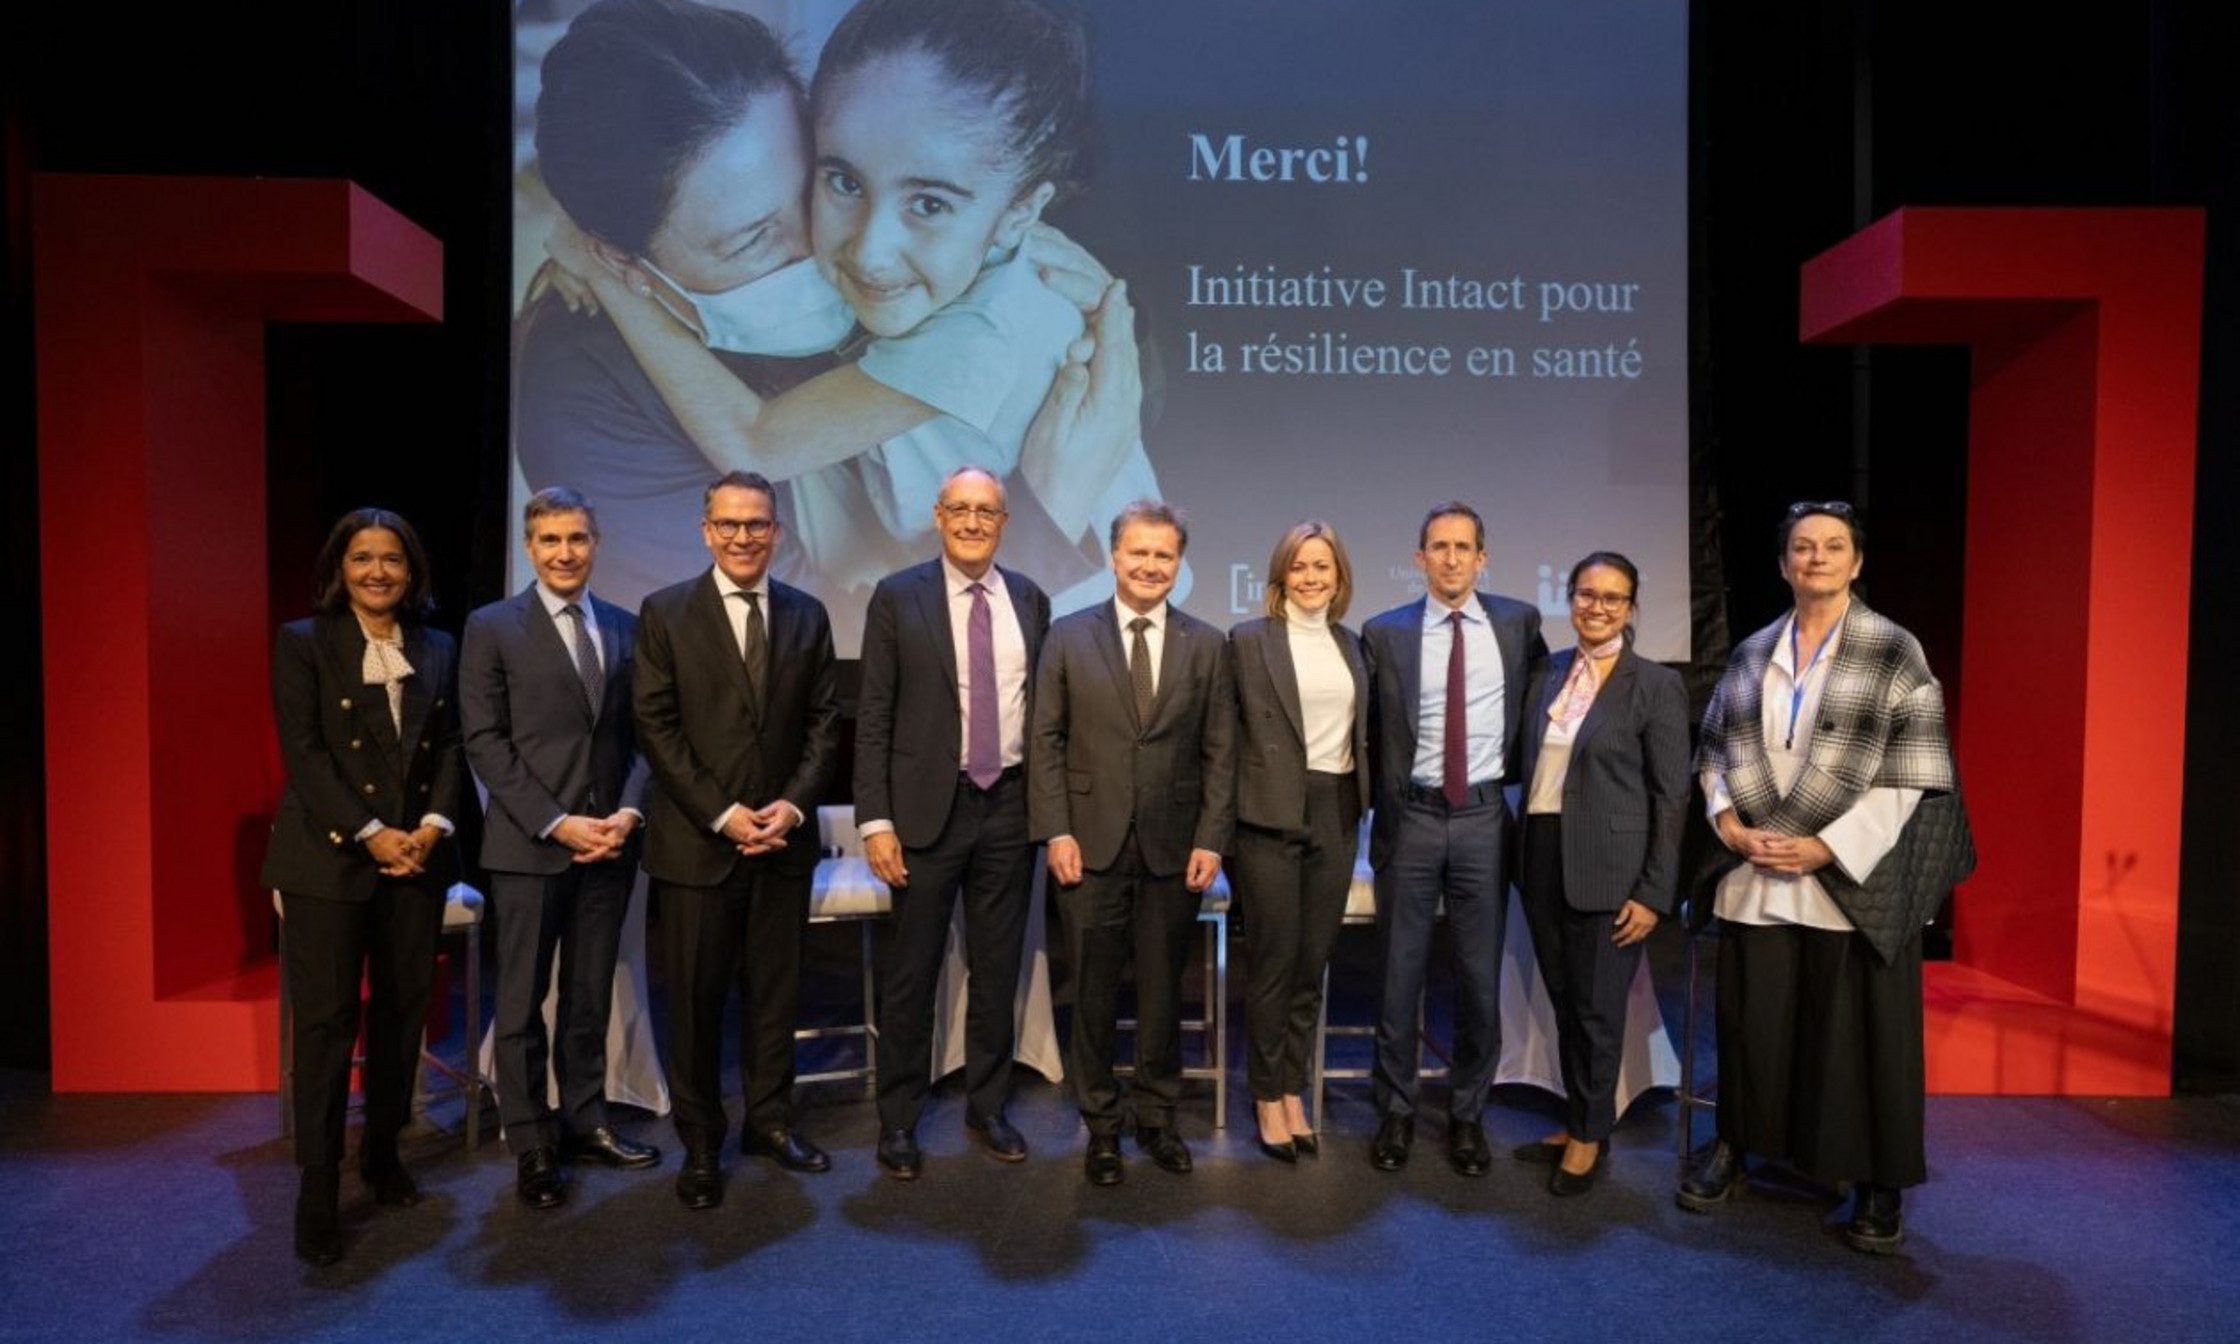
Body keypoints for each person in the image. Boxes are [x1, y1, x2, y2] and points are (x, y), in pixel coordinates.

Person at [533, 0, 1160, 626]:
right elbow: (783, 645)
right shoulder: (586, 394)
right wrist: (1043, 515)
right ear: (625, 259)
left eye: (813, 183)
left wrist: (1108, 316)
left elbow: (1122, 389)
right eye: (754, 238)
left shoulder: (940, 190)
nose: (855, 251)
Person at [1676, 501, 1967, 1254]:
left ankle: (1879, 1183)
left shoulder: (1894, 650)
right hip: (1757, 871)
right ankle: (1737, 1144)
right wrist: (1727, 825)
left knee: (1864, 1037)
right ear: (1782, 565)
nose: (1816, 559)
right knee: (1752, 1027)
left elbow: (1915, 774)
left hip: (1847, 875)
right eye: (1802, 548)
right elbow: (1713, 756)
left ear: (1857, 562)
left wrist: (1827, 846)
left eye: (1833, 547)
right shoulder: (1748, 653)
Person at [633, 470, 841, 1209]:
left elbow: (825, 724)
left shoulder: (809, 614)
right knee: (694, 1001)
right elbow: (655, 728)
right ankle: (699, 1141)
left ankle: (770, 1123)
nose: (743, 537)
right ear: (705, 530)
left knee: (775, 997)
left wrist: (789, 806)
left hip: (781, 845)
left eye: (756, 524)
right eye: (729, 524)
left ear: (777, 532)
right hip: (698, 847)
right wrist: (724, 813)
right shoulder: (663, 613)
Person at [261, 509, 462, 1265]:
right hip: (328, 861)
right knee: (325, 1023)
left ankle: (382, 1156)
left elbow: (451, 742)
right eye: (362, 558)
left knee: (402, 1014)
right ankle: (318, 1187)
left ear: (413, 572)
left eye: (393, 560)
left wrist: (434, 825)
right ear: (339, 568)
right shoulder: (303, 642)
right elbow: (306, 756)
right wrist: (372, 831)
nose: (378, 572)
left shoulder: (438, 645)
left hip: (415, 859)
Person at [460, 487, 660, 1211]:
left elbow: (644, 737)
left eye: (577, 538)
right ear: (529, 546)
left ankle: (585, 1122)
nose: (565, 553)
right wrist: (555, 821)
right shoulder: (492, 627)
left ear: (596, 542)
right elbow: (484, 740)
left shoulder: (627, 626)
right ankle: (532, 1144)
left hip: (609, 847)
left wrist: (629, 812)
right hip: (529, 848)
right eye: (550, 541)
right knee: (519, 1005)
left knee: (586, 998)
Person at [853, 465, 1051, 1179]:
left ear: (1004, 522)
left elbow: (1044, 717)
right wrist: (875, 820)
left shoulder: (1029, 598)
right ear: (938, 516)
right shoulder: (896, 596)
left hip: (1009, 808)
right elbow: (873, 714)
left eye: (986, 512)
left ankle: (988, 1106)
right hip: (923, 814)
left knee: (997, 972)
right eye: (959, 510)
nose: (973, 522)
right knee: (912, 975)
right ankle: (899, 1120)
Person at [1030, 500, 1236, 1186]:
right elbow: (1046, 742)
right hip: (1086, 846)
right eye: (1138, 553)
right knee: (1091, 992)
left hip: (1174, 848)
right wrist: (1055, 827)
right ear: (1113, 557)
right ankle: (1102, 1126)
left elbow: (1219, 750)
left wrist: (1212, 836)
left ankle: (1158, 1117)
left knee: (1160, 992)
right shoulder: (1066, 636)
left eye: (1164, 556)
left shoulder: (1206, 643)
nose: (1151, 566)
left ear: (1179, 564)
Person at [1360, 501, 1547, 1176]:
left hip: (1481, 821)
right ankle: (1397, 1111)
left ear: (1482, 557)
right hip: (1410, 819)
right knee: (1397, 977)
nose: (1451, 558)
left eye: (1463, 546)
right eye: (1438, 546)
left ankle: (1468, 1115)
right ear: (1419, 559)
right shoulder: (1384, 634)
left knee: (1476, 977)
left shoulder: (1520, 622)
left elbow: (1537, 713)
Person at [1512, 552, 1689, 1194]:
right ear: (1571, 599)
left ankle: (1590, 1137)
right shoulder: (1549, 672)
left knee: (1597, 1011)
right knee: (1564, 1002)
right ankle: (1580, 1117)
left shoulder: (1655, 685)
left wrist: (1653, 891)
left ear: (1632, 608)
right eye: (1587, 595)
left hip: (1611, 870)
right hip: (1541, 855)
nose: (1598, 607)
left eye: (1613, 598)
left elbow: (1672, 797)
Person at [1228, 521, 1369, 1162]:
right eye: (1300, 566)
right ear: (1280, 574)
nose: (1312, 578)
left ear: (1339, 577)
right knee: (1274, 963)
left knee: (1311, 964)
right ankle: (1265, 1094)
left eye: (1324, 567)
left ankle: (1291, 1089)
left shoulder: (1353, 644)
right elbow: (1225, 741)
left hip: (1336, 810)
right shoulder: (1248, 641)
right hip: (1266, 817)